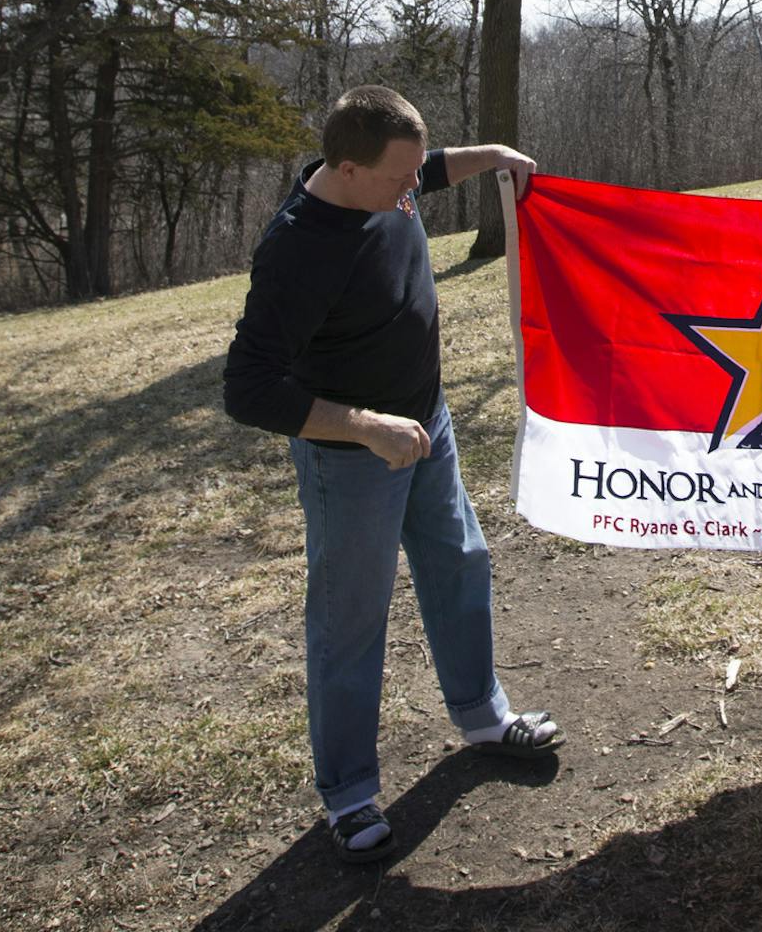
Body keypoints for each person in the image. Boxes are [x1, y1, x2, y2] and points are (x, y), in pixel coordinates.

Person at [223, 85, 560, 864]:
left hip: (425, 421)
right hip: (354, 456)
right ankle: (348, 794)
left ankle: (480, 715)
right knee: (350, 624)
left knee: (461, 561)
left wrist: (493, 159)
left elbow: (427, 167)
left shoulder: (384, 176)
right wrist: (365, 429)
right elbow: (247, 387)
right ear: (345, 170)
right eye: (398, 181)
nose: (415, 191)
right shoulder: (300, 247)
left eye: (416, 174)